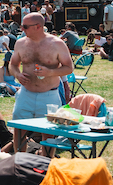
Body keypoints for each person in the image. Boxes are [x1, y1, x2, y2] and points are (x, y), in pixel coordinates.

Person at [8, 12, 74, 151]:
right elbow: (13, 64)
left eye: (25, 26)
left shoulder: (57, 43)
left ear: (38, 26)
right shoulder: (21, 43)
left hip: (49, 95)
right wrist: (18, 74)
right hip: (25, 93)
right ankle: (20, 162)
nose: (22, 29)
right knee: (19, 130)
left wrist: (50, 72)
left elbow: (69, 68)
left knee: (49, 133)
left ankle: (46, 165)